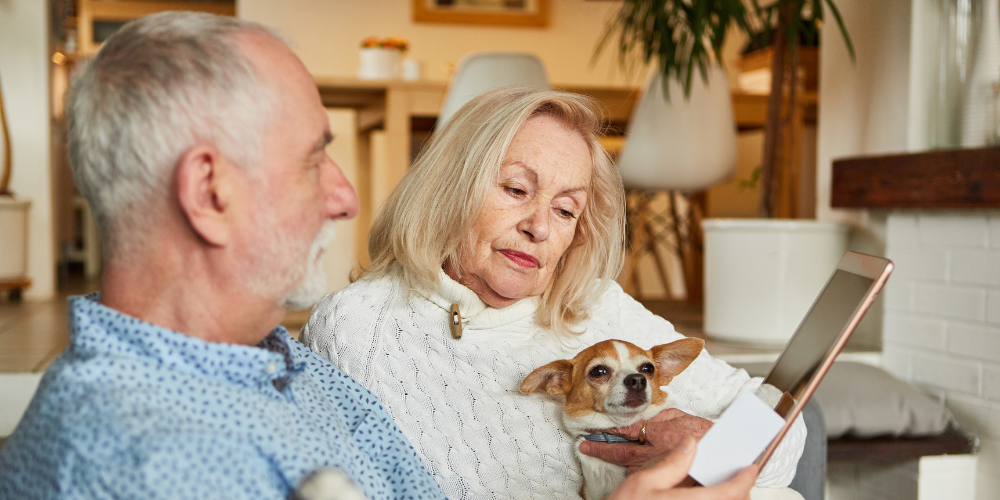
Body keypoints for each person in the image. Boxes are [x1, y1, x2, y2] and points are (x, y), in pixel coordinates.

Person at [0, 11, 757, 500]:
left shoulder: (271, 358)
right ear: (209, 192)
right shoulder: (164, 463)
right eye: (311, 161)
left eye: (565, 208)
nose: (346, 196)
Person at [303, 86, 807, 500]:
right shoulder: (356, 331)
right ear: (450, 187)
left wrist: (712, 447)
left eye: (566, 210)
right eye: (516, 190)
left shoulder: (592, 303)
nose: (540, 227)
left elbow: (784, 428)